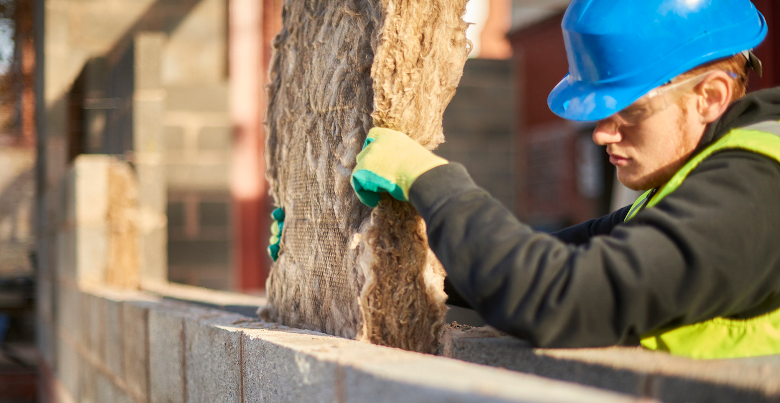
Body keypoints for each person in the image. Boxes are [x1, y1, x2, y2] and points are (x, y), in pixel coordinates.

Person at [350, 0, 780, 359]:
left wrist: (433, 181)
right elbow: (552, 258)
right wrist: (369, 255)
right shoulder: (693, 182)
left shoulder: (760, 192)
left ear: (710, 97)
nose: (602, 134)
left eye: (628, 111)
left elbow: (557, 296)